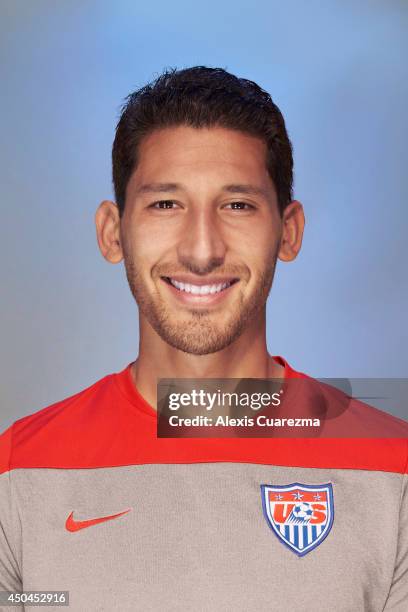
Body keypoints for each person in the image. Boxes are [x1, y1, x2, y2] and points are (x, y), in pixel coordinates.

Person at [0, 66, 407, 611]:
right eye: (165, 204)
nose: (201, 249)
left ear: (289, 232)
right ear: (112, 231)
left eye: (237, 205)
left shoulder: (393, 470)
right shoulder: (18, 473)